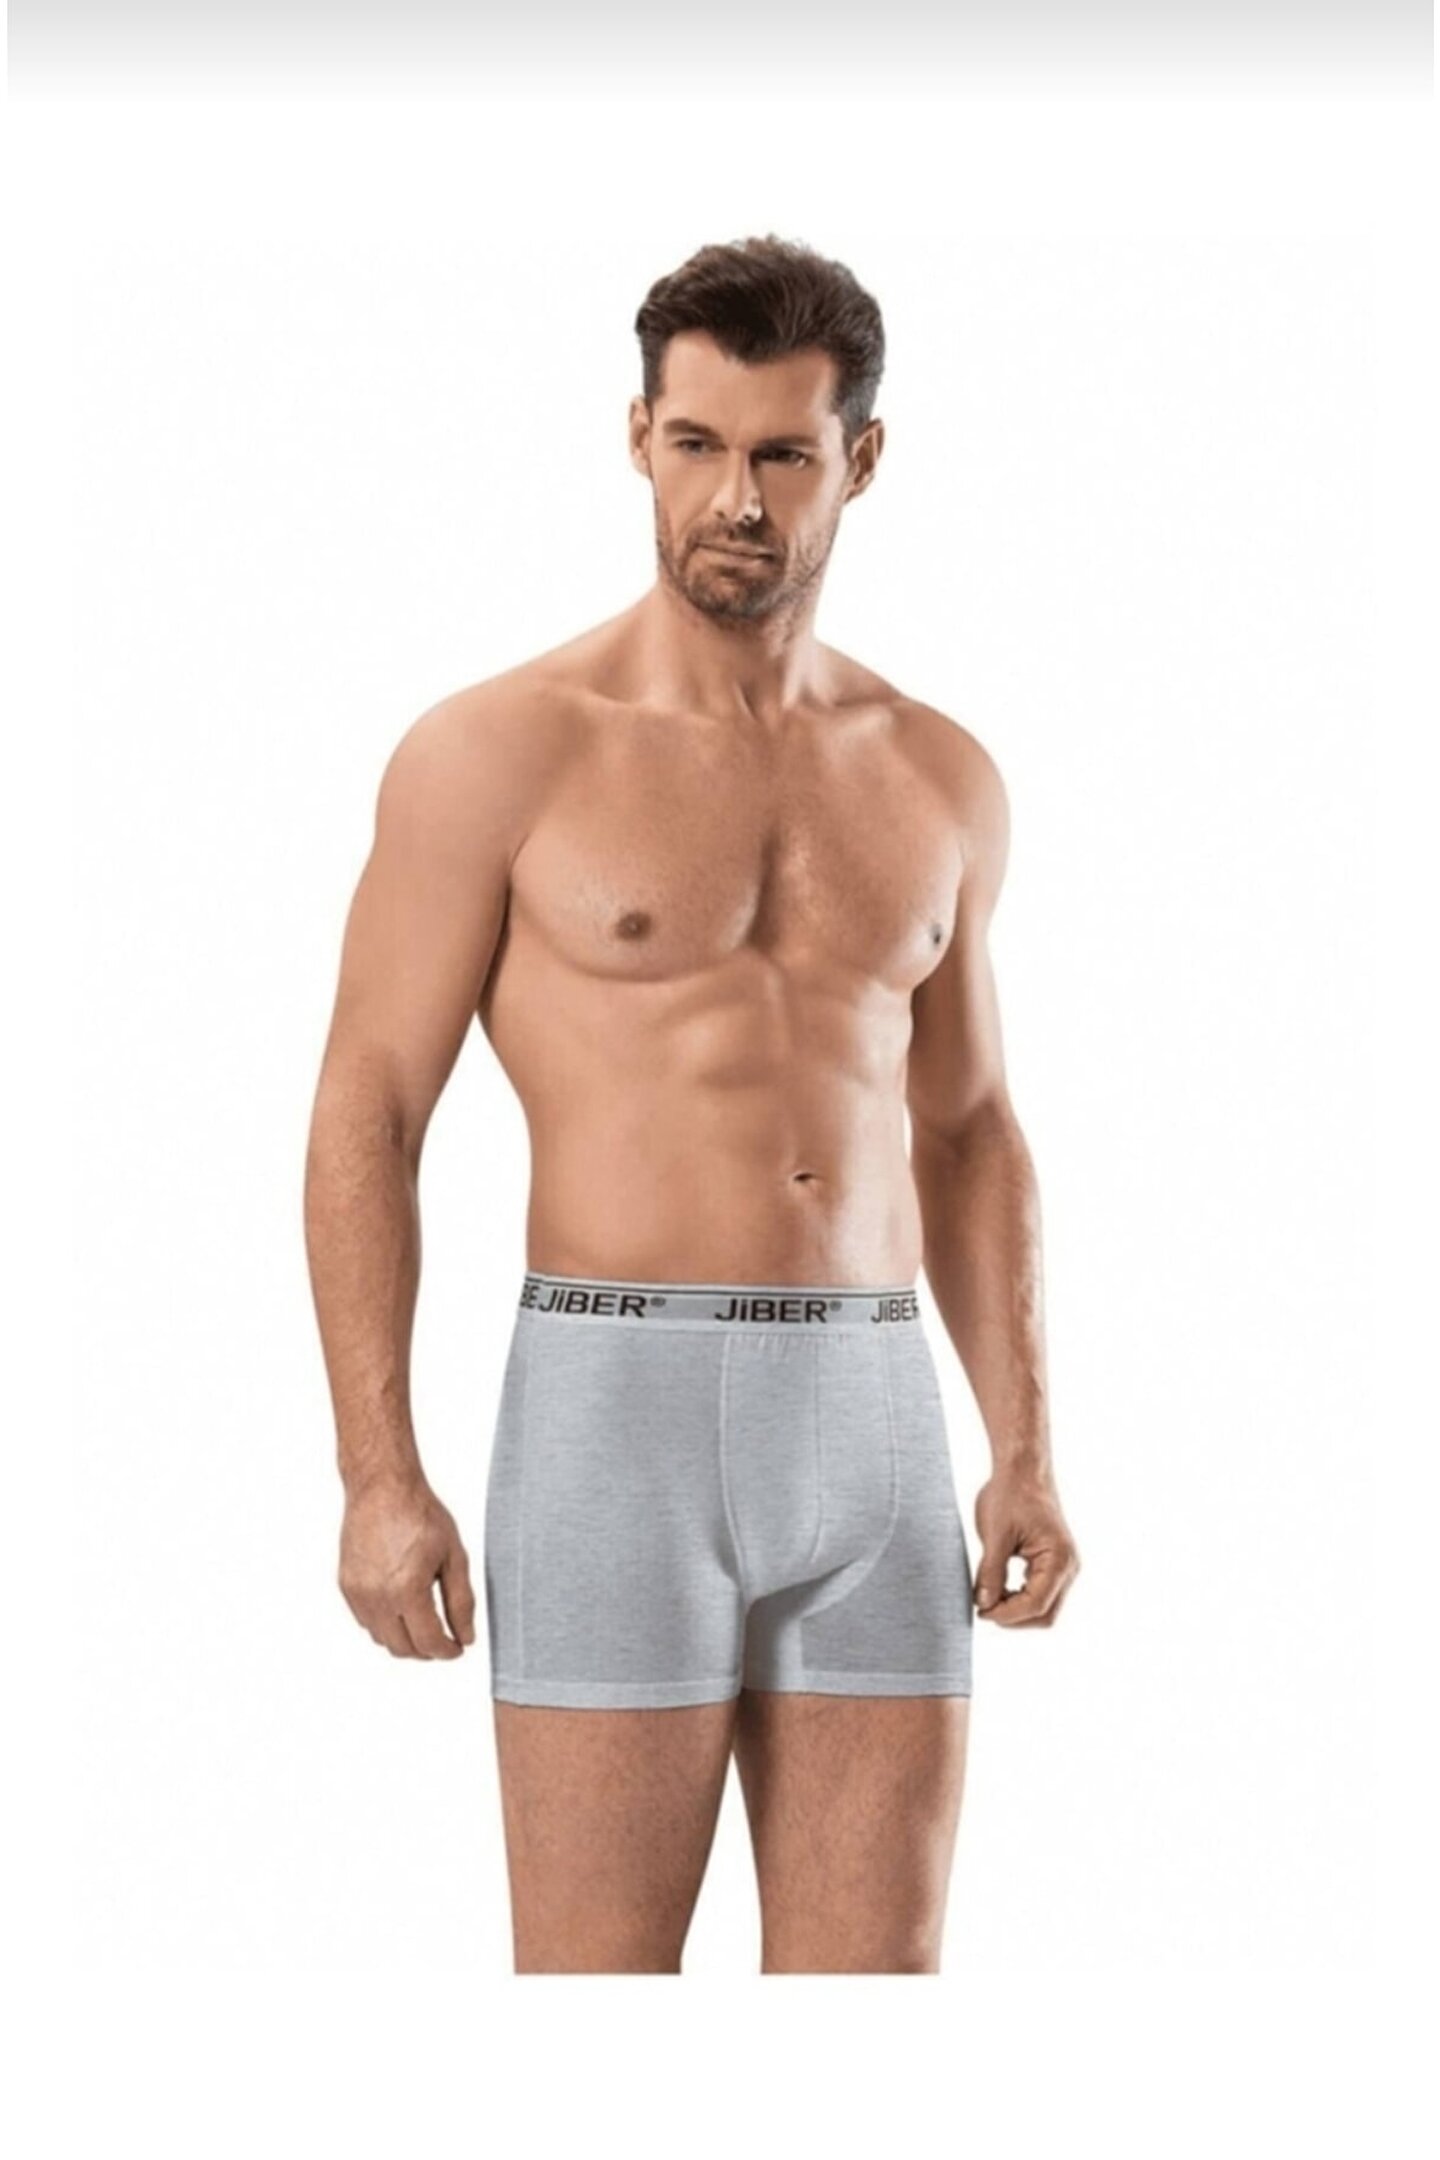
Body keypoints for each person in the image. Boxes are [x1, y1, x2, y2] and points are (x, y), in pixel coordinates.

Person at [303, 233, 1081, 1975]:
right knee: (597, 1999)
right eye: (697, 445)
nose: (737, 497)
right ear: (638, 438)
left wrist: (1025, 1450)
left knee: (872, 2007)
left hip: (876, 1420)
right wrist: (375, 1474)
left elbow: (969, 1130)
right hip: (613, 1413)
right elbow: (371, 1108)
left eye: (783, 453)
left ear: (858, 458)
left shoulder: (938, 773)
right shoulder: (499, 751)